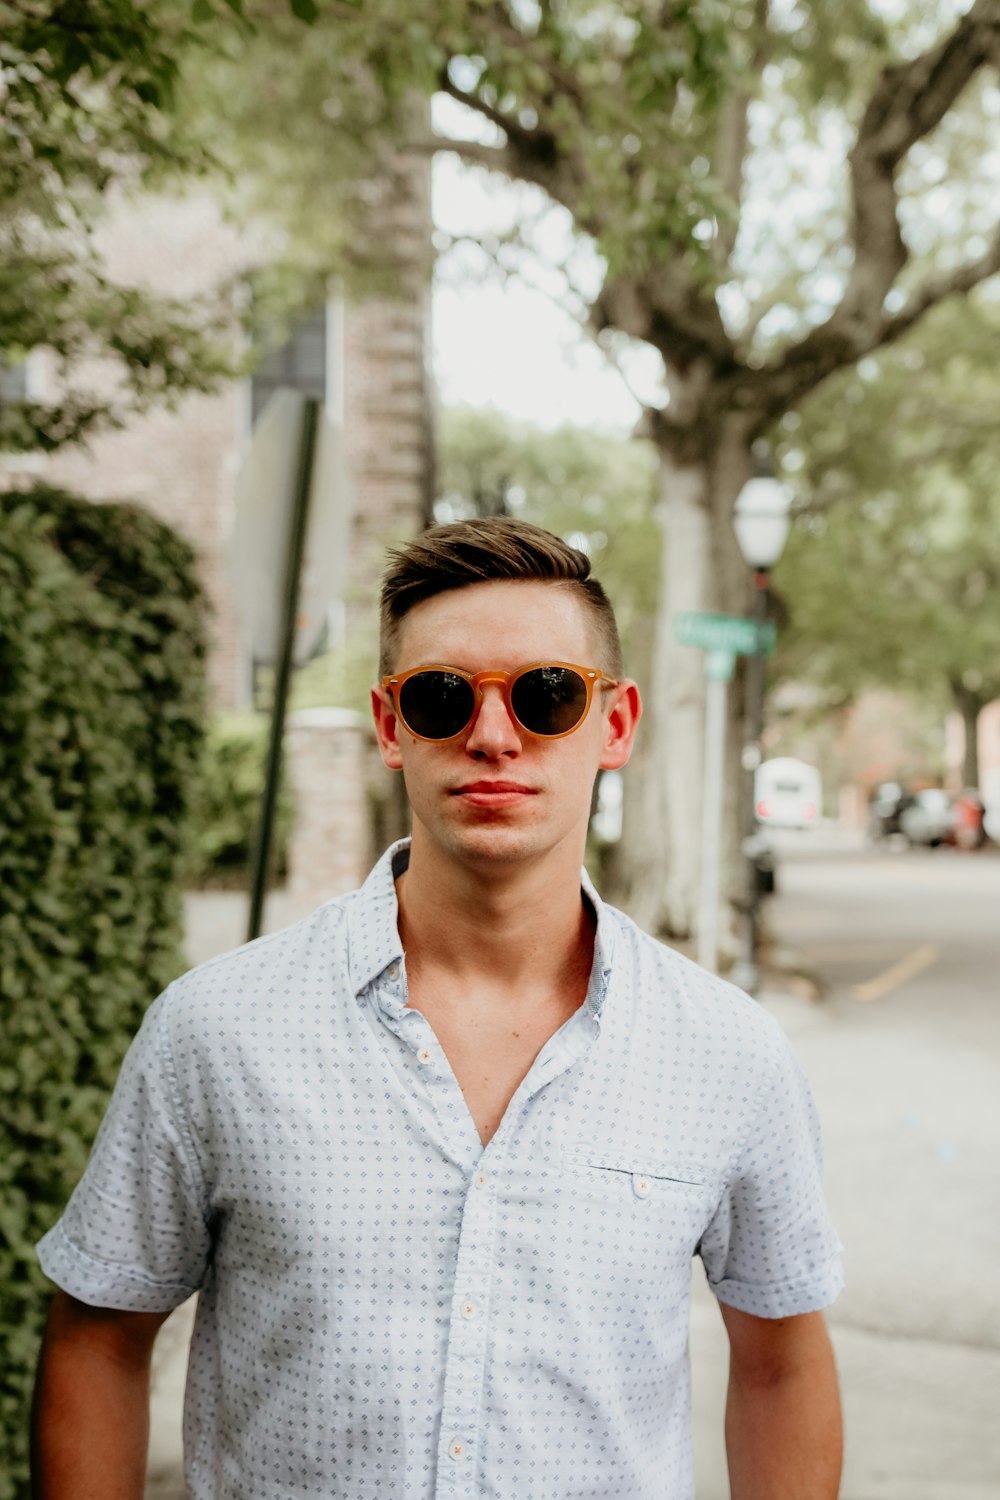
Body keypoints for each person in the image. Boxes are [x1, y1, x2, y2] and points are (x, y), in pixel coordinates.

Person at [33, 518, 843, 1500]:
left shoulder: (725, 1052)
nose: (492, 736)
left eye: (545, 696)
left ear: (615, 724)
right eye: (441, 696)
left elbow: (780, 1360)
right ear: (389, 725)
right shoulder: (218, 1031)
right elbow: (99, 1338)